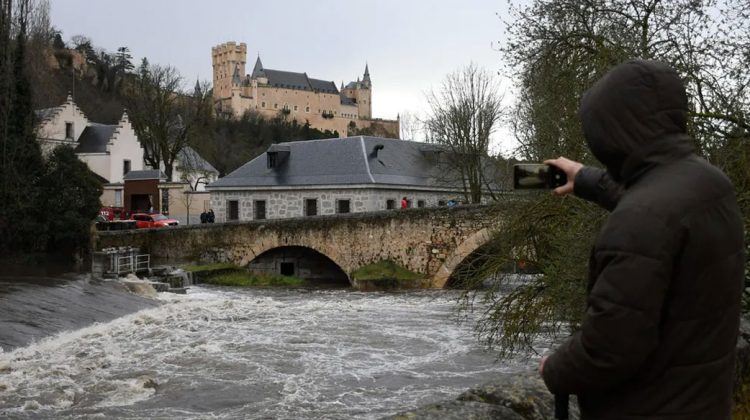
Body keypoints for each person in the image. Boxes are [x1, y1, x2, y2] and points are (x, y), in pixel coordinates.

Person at [539, 60, 744, 419]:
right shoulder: (711, 184)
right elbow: (658, 212)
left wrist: (554, 369)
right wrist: (585, 179)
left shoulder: (639, 221)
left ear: (611, 134)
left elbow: (606, 351)